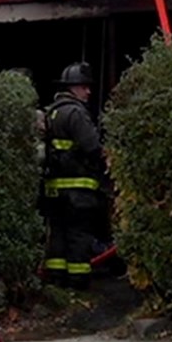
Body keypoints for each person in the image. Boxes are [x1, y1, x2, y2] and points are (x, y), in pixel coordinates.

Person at [42, 62, 108, 289]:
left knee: (58, 234)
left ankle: (56, 280)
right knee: (79, 235)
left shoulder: (52, 112)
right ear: (72, 88)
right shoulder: (76, 113)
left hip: (53, 189)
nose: (88, 91)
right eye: (84, 87)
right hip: (77, 189)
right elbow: (92, 147)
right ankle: (78, 281)